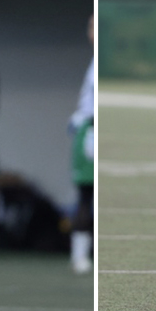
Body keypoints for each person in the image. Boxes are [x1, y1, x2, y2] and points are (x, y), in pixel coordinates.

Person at [70, 18, 95, 275]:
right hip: (89, 130)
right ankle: (79, 255)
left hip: (94, 128)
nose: (91, 32)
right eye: (89, 27)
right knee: (86, 194)